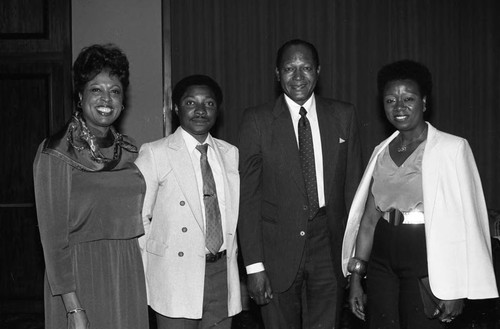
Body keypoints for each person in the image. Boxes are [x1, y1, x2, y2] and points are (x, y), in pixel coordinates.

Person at [342, 59, 498, 328]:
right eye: (390, 100)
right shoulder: (381, 151)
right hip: (382, 257)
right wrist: (356, 278)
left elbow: (470, 224)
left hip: (426, 256)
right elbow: (368, 222)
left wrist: (457, 288)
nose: (399, 106)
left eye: (408, 98)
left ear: (424, 102)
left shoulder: (453, 149)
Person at [238, 39, 363, 328]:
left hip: (329, 248)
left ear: (318, 72)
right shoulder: (256, 121)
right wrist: (254, 266)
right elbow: (248, 198)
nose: (297, 76)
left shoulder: (344, 115)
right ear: (276, 73)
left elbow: (354, 192)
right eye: (289, 68)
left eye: (305, 67)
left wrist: (354, 260)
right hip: (275, 252)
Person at [33, 44, 149, 329]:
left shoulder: (132, 151)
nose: (106, 98)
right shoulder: (56, 152)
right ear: (80, 95)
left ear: (123, 100)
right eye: (96, 89)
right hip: (79, 276)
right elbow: (52, 241)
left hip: (128, 271)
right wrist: (73, 308)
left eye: (115, 90)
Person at [135, 75, 241, 329]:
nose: (200, 110)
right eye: (191, 103)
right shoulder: (155, 152)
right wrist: (153, 267)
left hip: (220, 272)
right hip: (175, 274)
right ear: (176, 108)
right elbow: (138, 217)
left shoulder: (230, 153)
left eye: (209, 104)